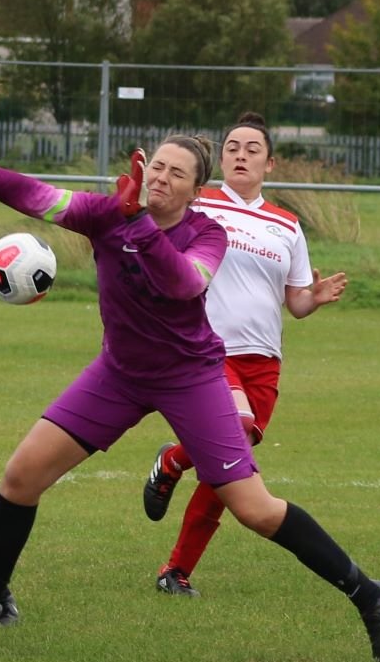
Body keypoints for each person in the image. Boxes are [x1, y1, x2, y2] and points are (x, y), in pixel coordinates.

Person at [0, 137, 380, 662]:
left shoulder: (207, 234)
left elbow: (183, 284)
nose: (161, 178)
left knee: (255, 510)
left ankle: (368, 593)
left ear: (196, 190)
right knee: (20, 478)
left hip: (191, 378)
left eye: (176, 173)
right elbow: (37, 195)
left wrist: (139, 225)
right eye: (157, 167)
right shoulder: (107, 214)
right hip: (118, 374)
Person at [144, 112, 348, 598]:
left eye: (251, 148)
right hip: (209, 351)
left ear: (269, 163)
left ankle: (176, 571)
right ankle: (173, 461)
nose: (240, 154)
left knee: (227, 471)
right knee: (232, 434)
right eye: (232, 146)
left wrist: (312, 299)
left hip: (264, 361)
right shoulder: (201, 206)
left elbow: (294, 302)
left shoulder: (287, 225)